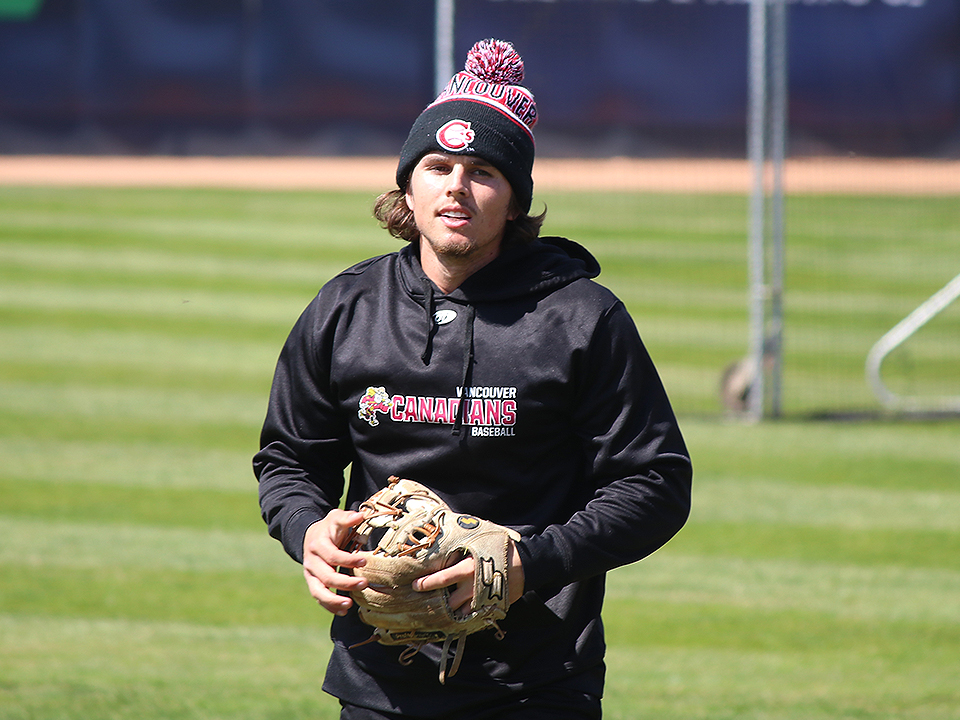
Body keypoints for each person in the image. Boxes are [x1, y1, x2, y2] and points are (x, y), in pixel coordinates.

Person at [254, 39, 692, 720]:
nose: (455, 185)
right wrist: (307, 528)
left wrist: (531, 562)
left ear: (515, 200)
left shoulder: (581, 319)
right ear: (408, 185)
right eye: (436, 166)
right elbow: (288, 458)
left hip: (536, 682)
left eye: (482, 170)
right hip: (378, 680)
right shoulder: (346, 308)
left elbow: (656, 482)